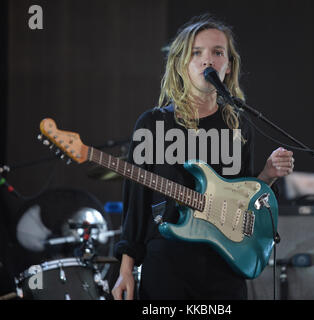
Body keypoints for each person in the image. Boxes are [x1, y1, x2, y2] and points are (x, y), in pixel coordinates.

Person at [111, 15, 295, 300]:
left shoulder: (239, 125)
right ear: (181, 64)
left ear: (228, 65)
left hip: (225, 263)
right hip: (168, 263)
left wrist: (267, 175)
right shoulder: (153, 123)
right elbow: (136, 201)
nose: (207, 60)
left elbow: (242, 199)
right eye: (196, 53)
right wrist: (125, 270)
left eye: (217, 52)